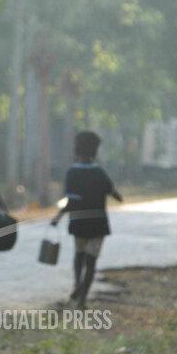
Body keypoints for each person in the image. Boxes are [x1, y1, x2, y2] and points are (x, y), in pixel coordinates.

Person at [50, 131, 122, 309]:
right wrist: (117, 195)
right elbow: (113, 193)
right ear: (95, 152)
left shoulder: (72, 173)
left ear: (76, 151)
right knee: (91, 262)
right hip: (98, 224)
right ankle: (82, 299)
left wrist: (58, 217)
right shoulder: (99, 173)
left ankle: (77, 285)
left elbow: (70, 201)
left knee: (79, 256)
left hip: (79, 222)